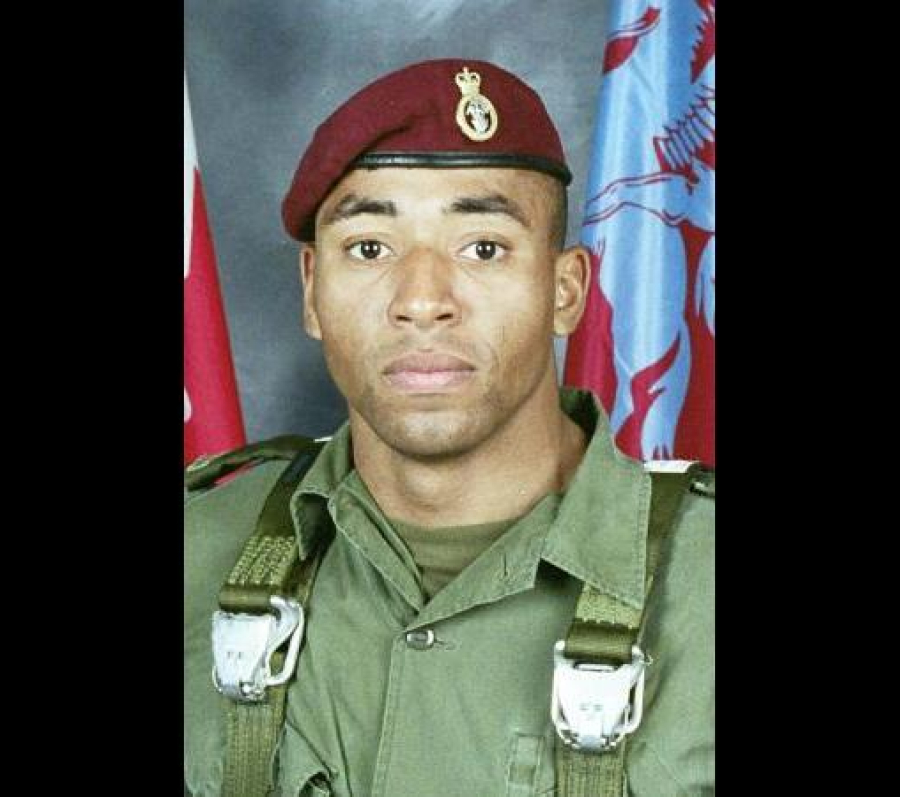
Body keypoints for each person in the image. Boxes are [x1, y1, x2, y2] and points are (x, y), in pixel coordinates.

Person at [184, 58, 714, 797]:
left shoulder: (704, 584)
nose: (422, 300)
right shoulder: (196, 549)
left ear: (565, 292)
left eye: (483, 248)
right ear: (312, 289)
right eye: (370, 248)